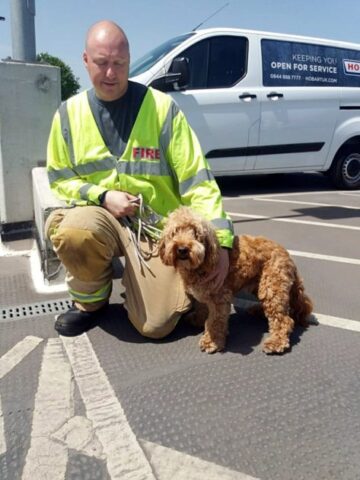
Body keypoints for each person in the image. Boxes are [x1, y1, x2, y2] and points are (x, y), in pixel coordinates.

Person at [45, 20, 234, 338]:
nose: (110, 73)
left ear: (129, 61)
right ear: (85, 60)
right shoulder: (68, 115)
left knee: (156, 326)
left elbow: (197, 180)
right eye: (102, 63)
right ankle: (91, 302)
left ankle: (151, 281)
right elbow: (59, 178)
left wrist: (223, 244)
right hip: (100, 218)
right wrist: (102, 195)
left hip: (155, 231)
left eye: (118, 64)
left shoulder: (162, 110)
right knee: (75, 231)